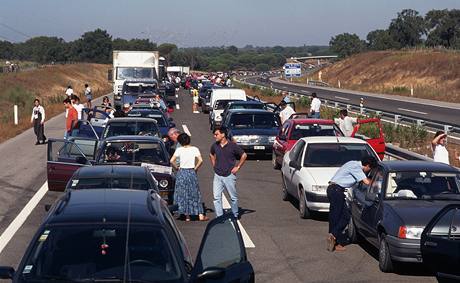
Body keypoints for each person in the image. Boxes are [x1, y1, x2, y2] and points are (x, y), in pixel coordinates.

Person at [327, 156, 378, 252]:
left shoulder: (352, 163)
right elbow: (367, 182)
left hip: (335, 190)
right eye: (369, 169)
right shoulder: (357, 168)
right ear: (367, 165)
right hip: (336, 191)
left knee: (339, 216)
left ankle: (334, 240)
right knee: (341, 216)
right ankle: (333, 236)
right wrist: (378, 183)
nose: (368, 171)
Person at [210, 127, 247, 218]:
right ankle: (219, 216)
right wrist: (214, 165)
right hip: (218, 175)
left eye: (216, 134)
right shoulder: (215, 145)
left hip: (229, 175)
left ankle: (235, 214)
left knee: (233, 197)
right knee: (216, 197)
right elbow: (211, 154)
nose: (215, 136)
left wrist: (237, 167)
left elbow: (244, 155)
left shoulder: (232, 146)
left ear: (223, 135)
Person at [170, 133, 208, 222]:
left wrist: (177, 167)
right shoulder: (194, 149)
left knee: (182, 193)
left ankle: (187, 216)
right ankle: (200, 215)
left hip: (182, 172)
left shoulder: (179, 150)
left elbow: (172, 160)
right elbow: (201, 160)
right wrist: (195, 168)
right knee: (195, 193)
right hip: (191, 172)